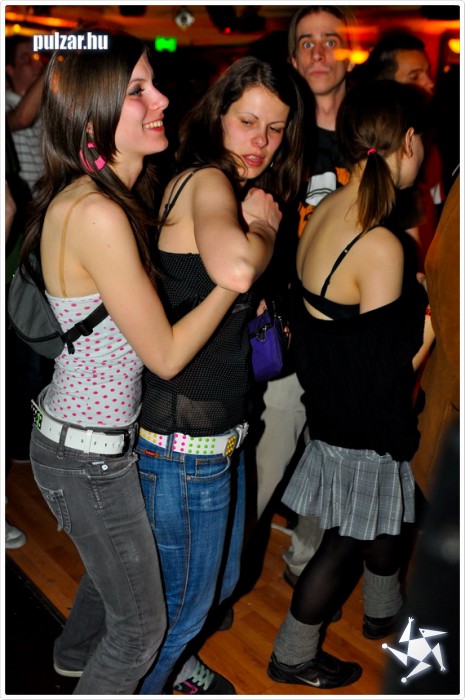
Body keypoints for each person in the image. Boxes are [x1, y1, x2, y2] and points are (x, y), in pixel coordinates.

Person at [22, 32, 274, 695]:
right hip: (86, 454)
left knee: (124, 586)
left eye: (154, 84)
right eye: (138, 91)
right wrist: (247, 257)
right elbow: (163, 354)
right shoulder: (96, 212)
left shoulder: (107, 198)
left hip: (91, 442)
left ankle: (73, 657)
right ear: (93, 115)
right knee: (141, 627)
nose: (162, 99)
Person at [136, 55, 304, 695]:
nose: (262, 141)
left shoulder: (220, 186)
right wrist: (262, 228)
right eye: (247, 122)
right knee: (180, 611)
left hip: (217, 435)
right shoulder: (208, 179)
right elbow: (236, 268)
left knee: (220, 581)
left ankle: (174, 669)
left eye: (276, 128)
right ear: (218, 116)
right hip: (185, 443)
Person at [268, 79, 434, 689]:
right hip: (363, 414)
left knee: (390, 514)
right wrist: (430, 327)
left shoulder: (332, 206)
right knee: (343, 544)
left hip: (333, 403)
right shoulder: (379, 242)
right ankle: (292, 655)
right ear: (407, 142)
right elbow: (387, 366)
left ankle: (384, 613)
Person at [259, 5, 355, 589]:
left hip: (352, 330)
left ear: (349, 53)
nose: (319, 52)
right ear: (293, 58)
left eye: (331, 40)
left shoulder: (372, 135)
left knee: (335, 455)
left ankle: (305, 570)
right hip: (292, 328)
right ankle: (224, 575)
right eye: (307, 41)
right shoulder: (277, 134)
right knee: (268, 455)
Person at [353, 30, 445, 266]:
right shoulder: (379, 162)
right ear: (387, 87)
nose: (429, 83)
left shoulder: (432, 142)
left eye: (427, 73)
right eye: (415, 77)